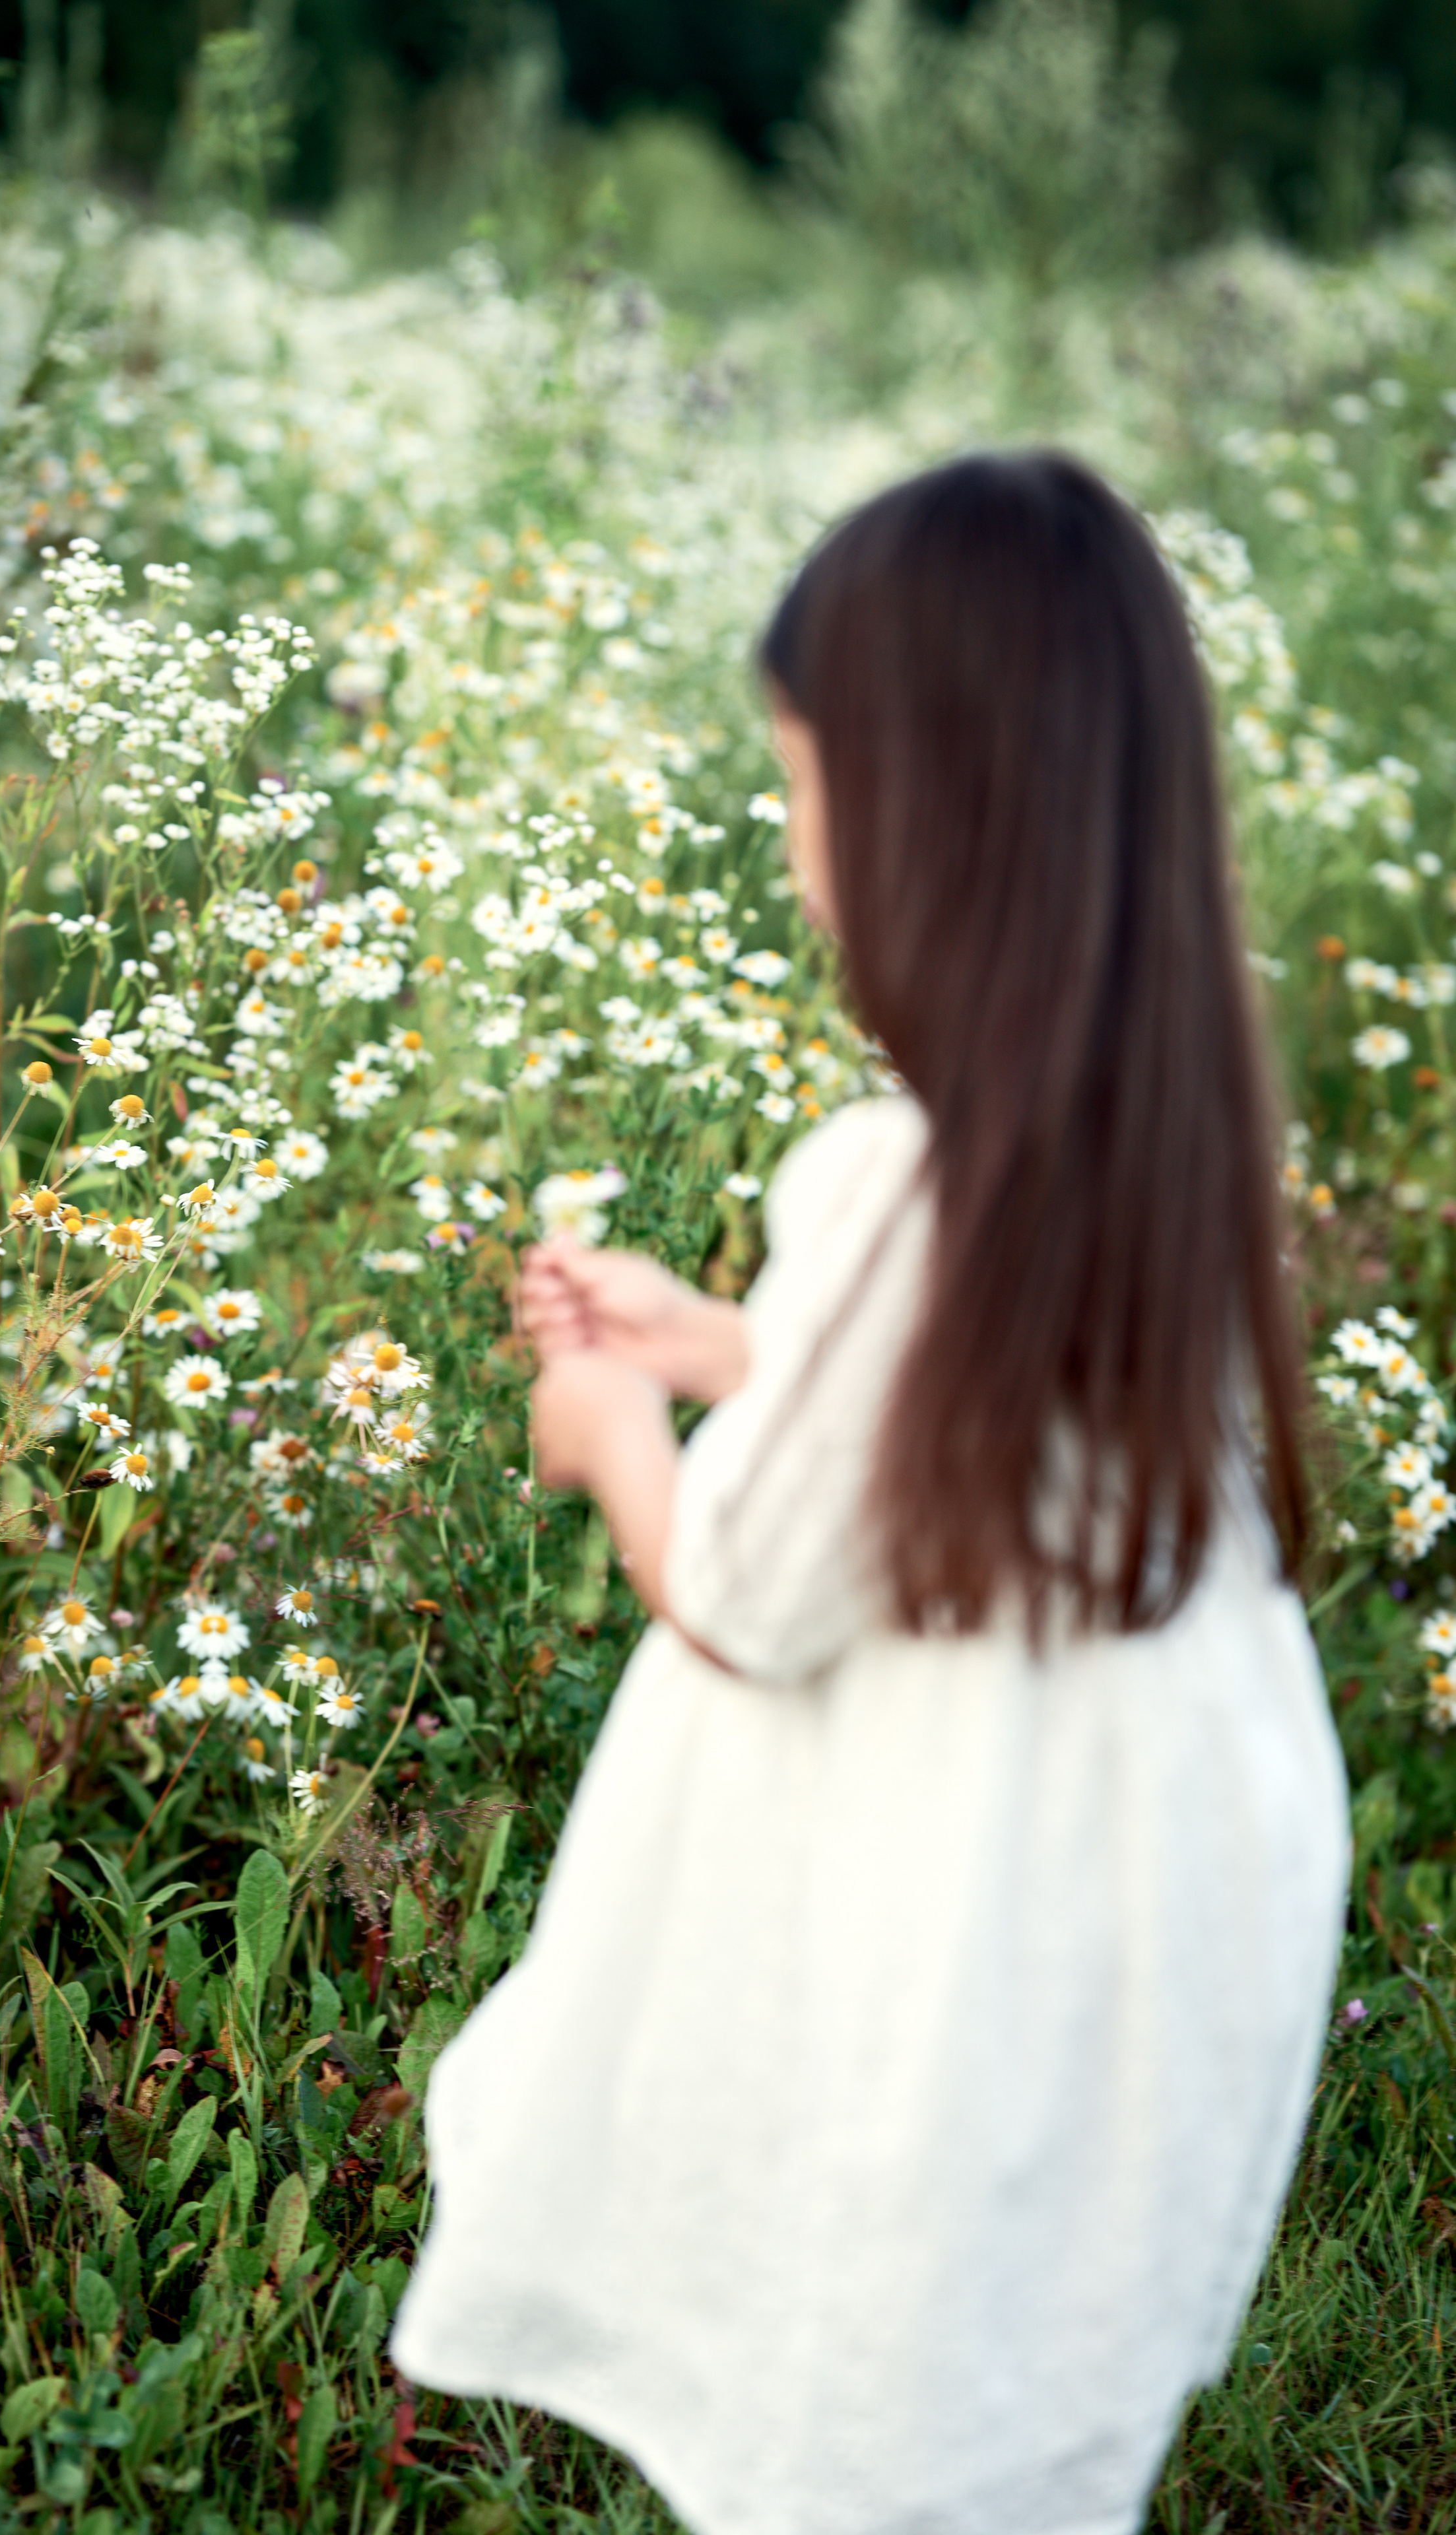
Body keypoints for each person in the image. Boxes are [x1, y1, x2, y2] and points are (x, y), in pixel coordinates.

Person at [388, 451, 1352, 2535]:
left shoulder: (906, 1185)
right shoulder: (1137, 1149)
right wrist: (740, 1350)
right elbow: (996, 1418)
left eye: (807, 782)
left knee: (879, 2408)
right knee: (1022, 2413)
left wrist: (617, 1433)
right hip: (1143, 1929)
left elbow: (744, 1587)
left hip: (966, 1941)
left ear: (933, 817)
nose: (797, 845)